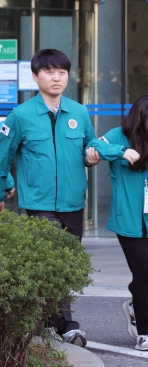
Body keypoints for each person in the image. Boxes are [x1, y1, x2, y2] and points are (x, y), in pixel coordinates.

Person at [0, 48, 98, 347]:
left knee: (64, 266)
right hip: (39, 204)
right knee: (53, 259)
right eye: (49, 72)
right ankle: (68, 325)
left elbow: (89, 145)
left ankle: (43, 321)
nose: (56, 78)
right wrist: (3, 187)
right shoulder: (20, 115)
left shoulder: (79, 112)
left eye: (62, 72)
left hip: (73, 201)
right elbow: (4, 156)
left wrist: (93, 155)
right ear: (35, 76)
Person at [87, 95, 148, 351]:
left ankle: (135, 305)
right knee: (145, 273)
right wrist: (121, 151)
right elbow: (94, 145)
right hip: (128, 221)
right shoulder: (119, 135)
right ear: (138, 121)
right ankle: (145, 333)